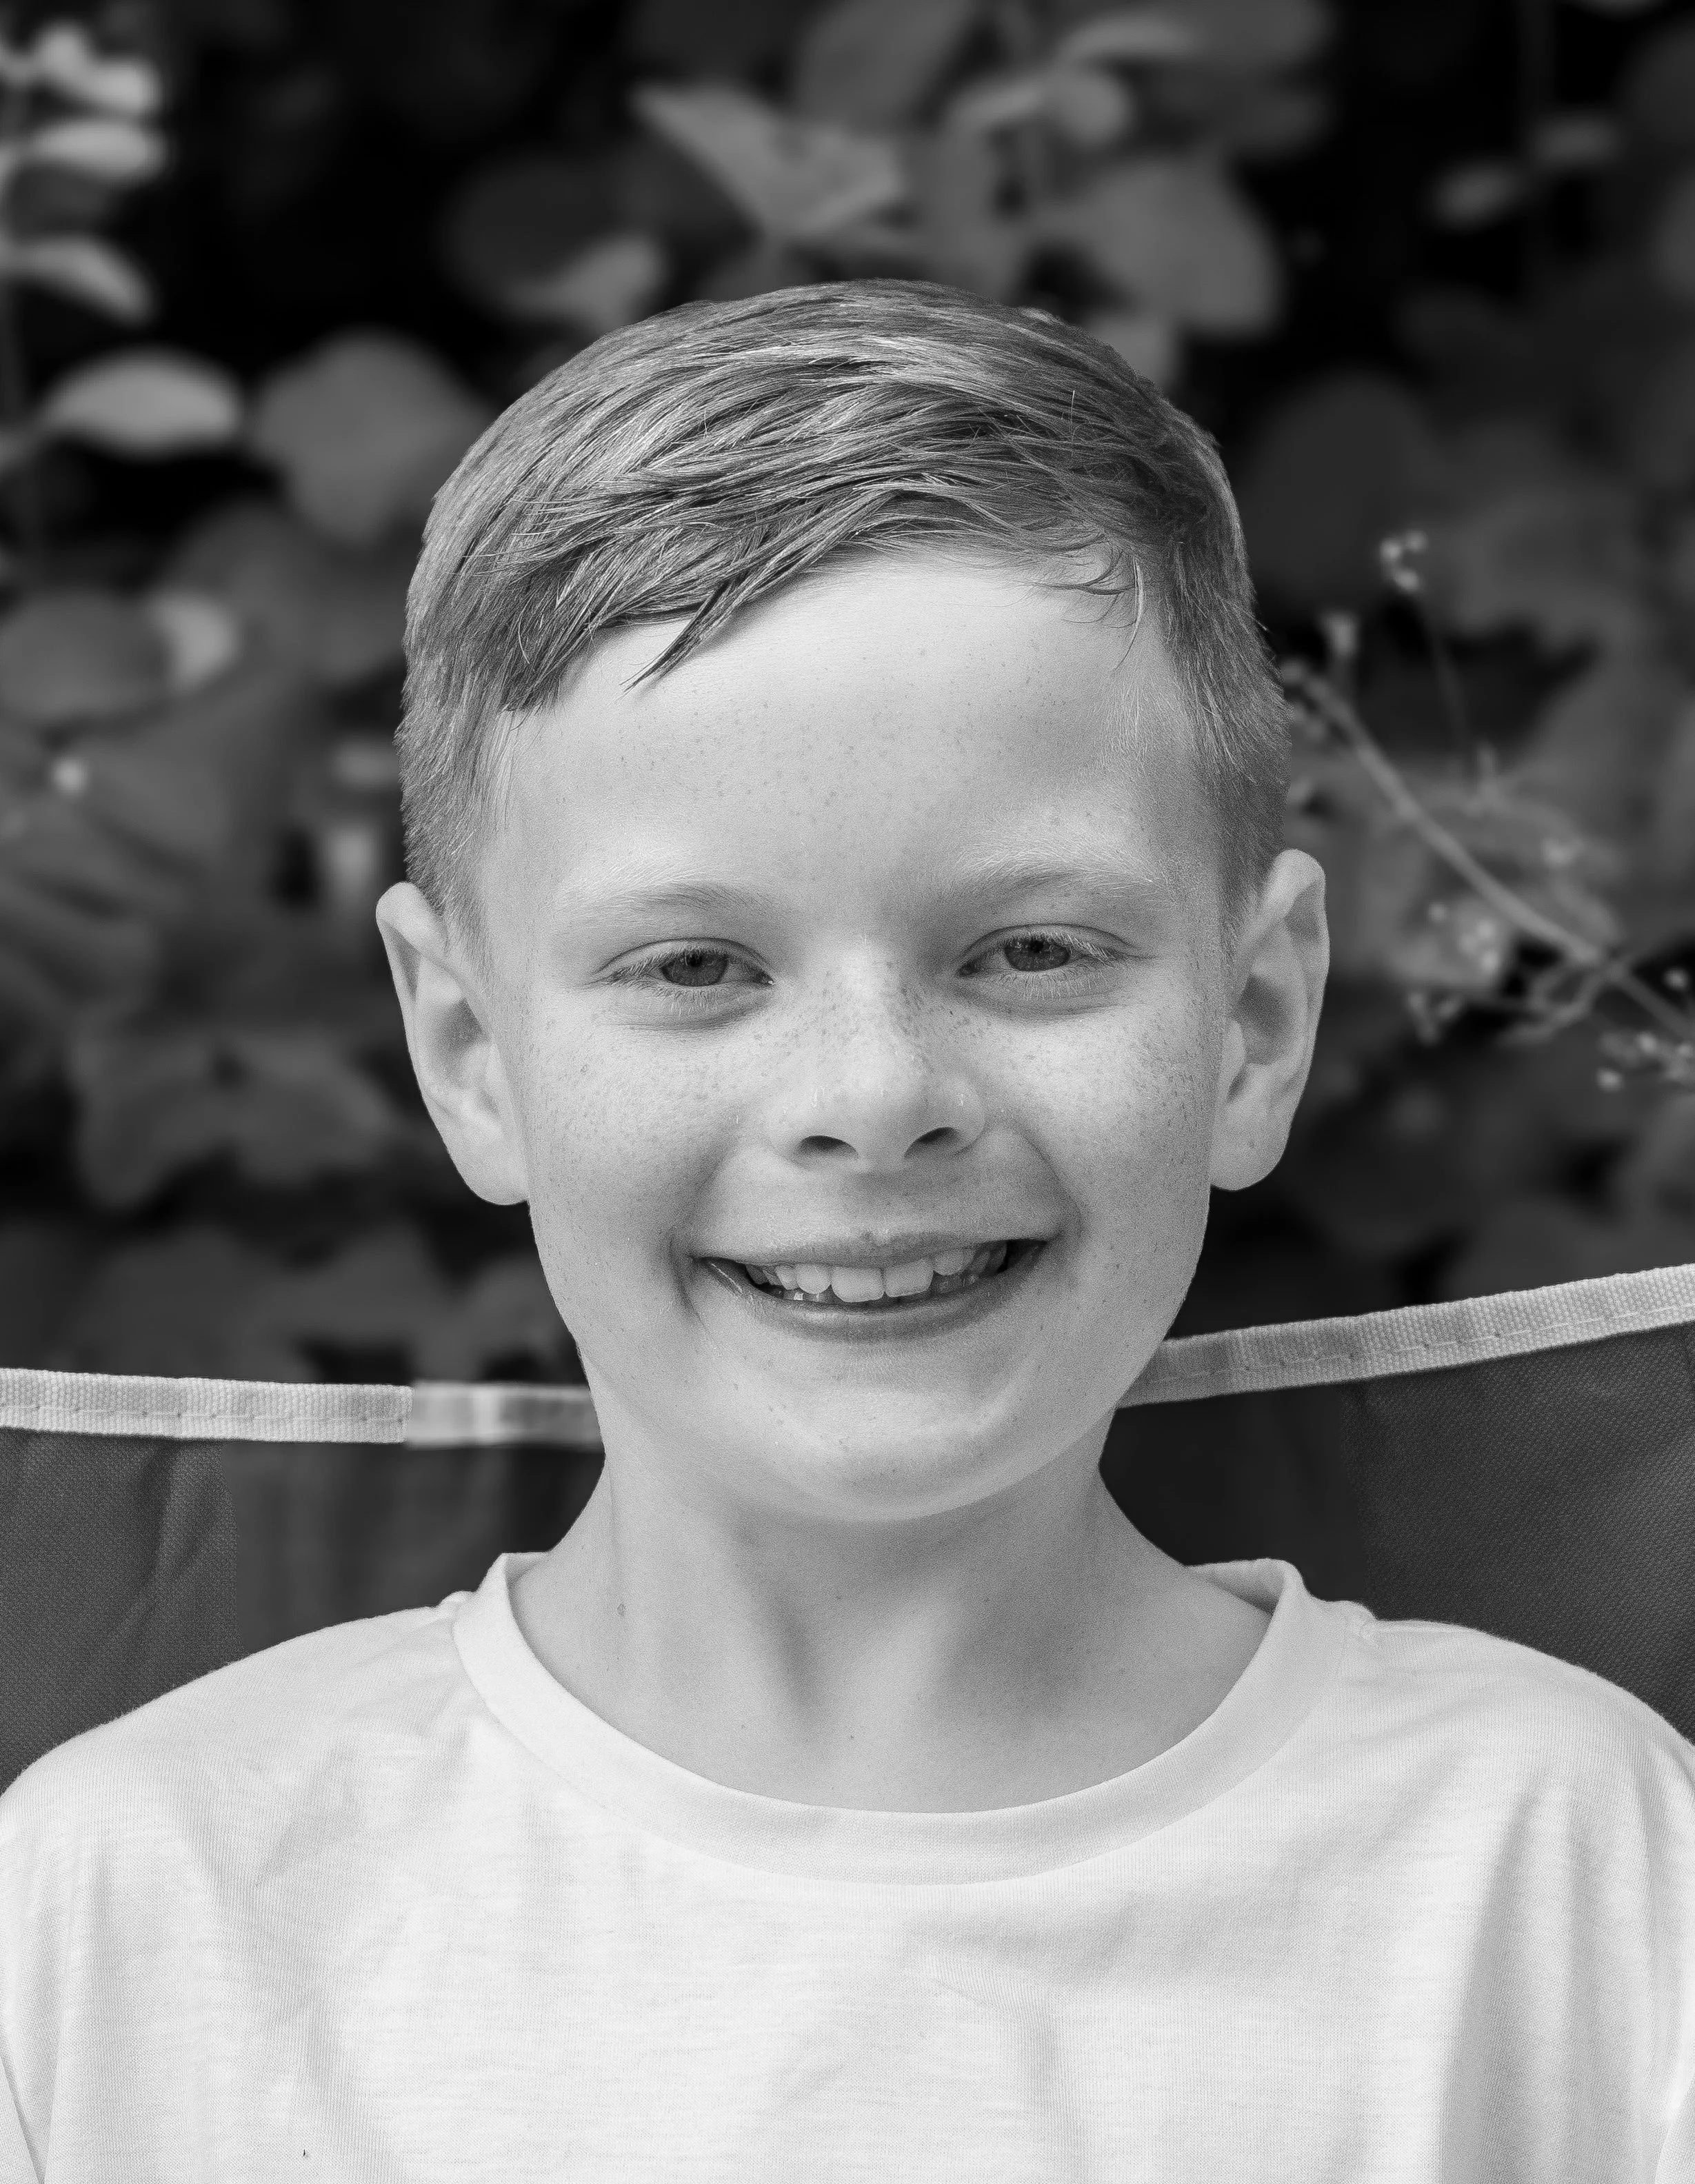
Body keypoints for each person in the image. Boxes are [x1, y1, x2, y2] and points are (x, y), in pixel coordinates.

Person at [3, 278, 1692, 2181]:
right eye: (698, 967)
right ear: (471, 1051)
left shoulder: (1568, 1875)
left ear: (1258, 1022)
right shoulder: (136, 1902)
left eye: (1032, 951)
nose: (873, 1094)